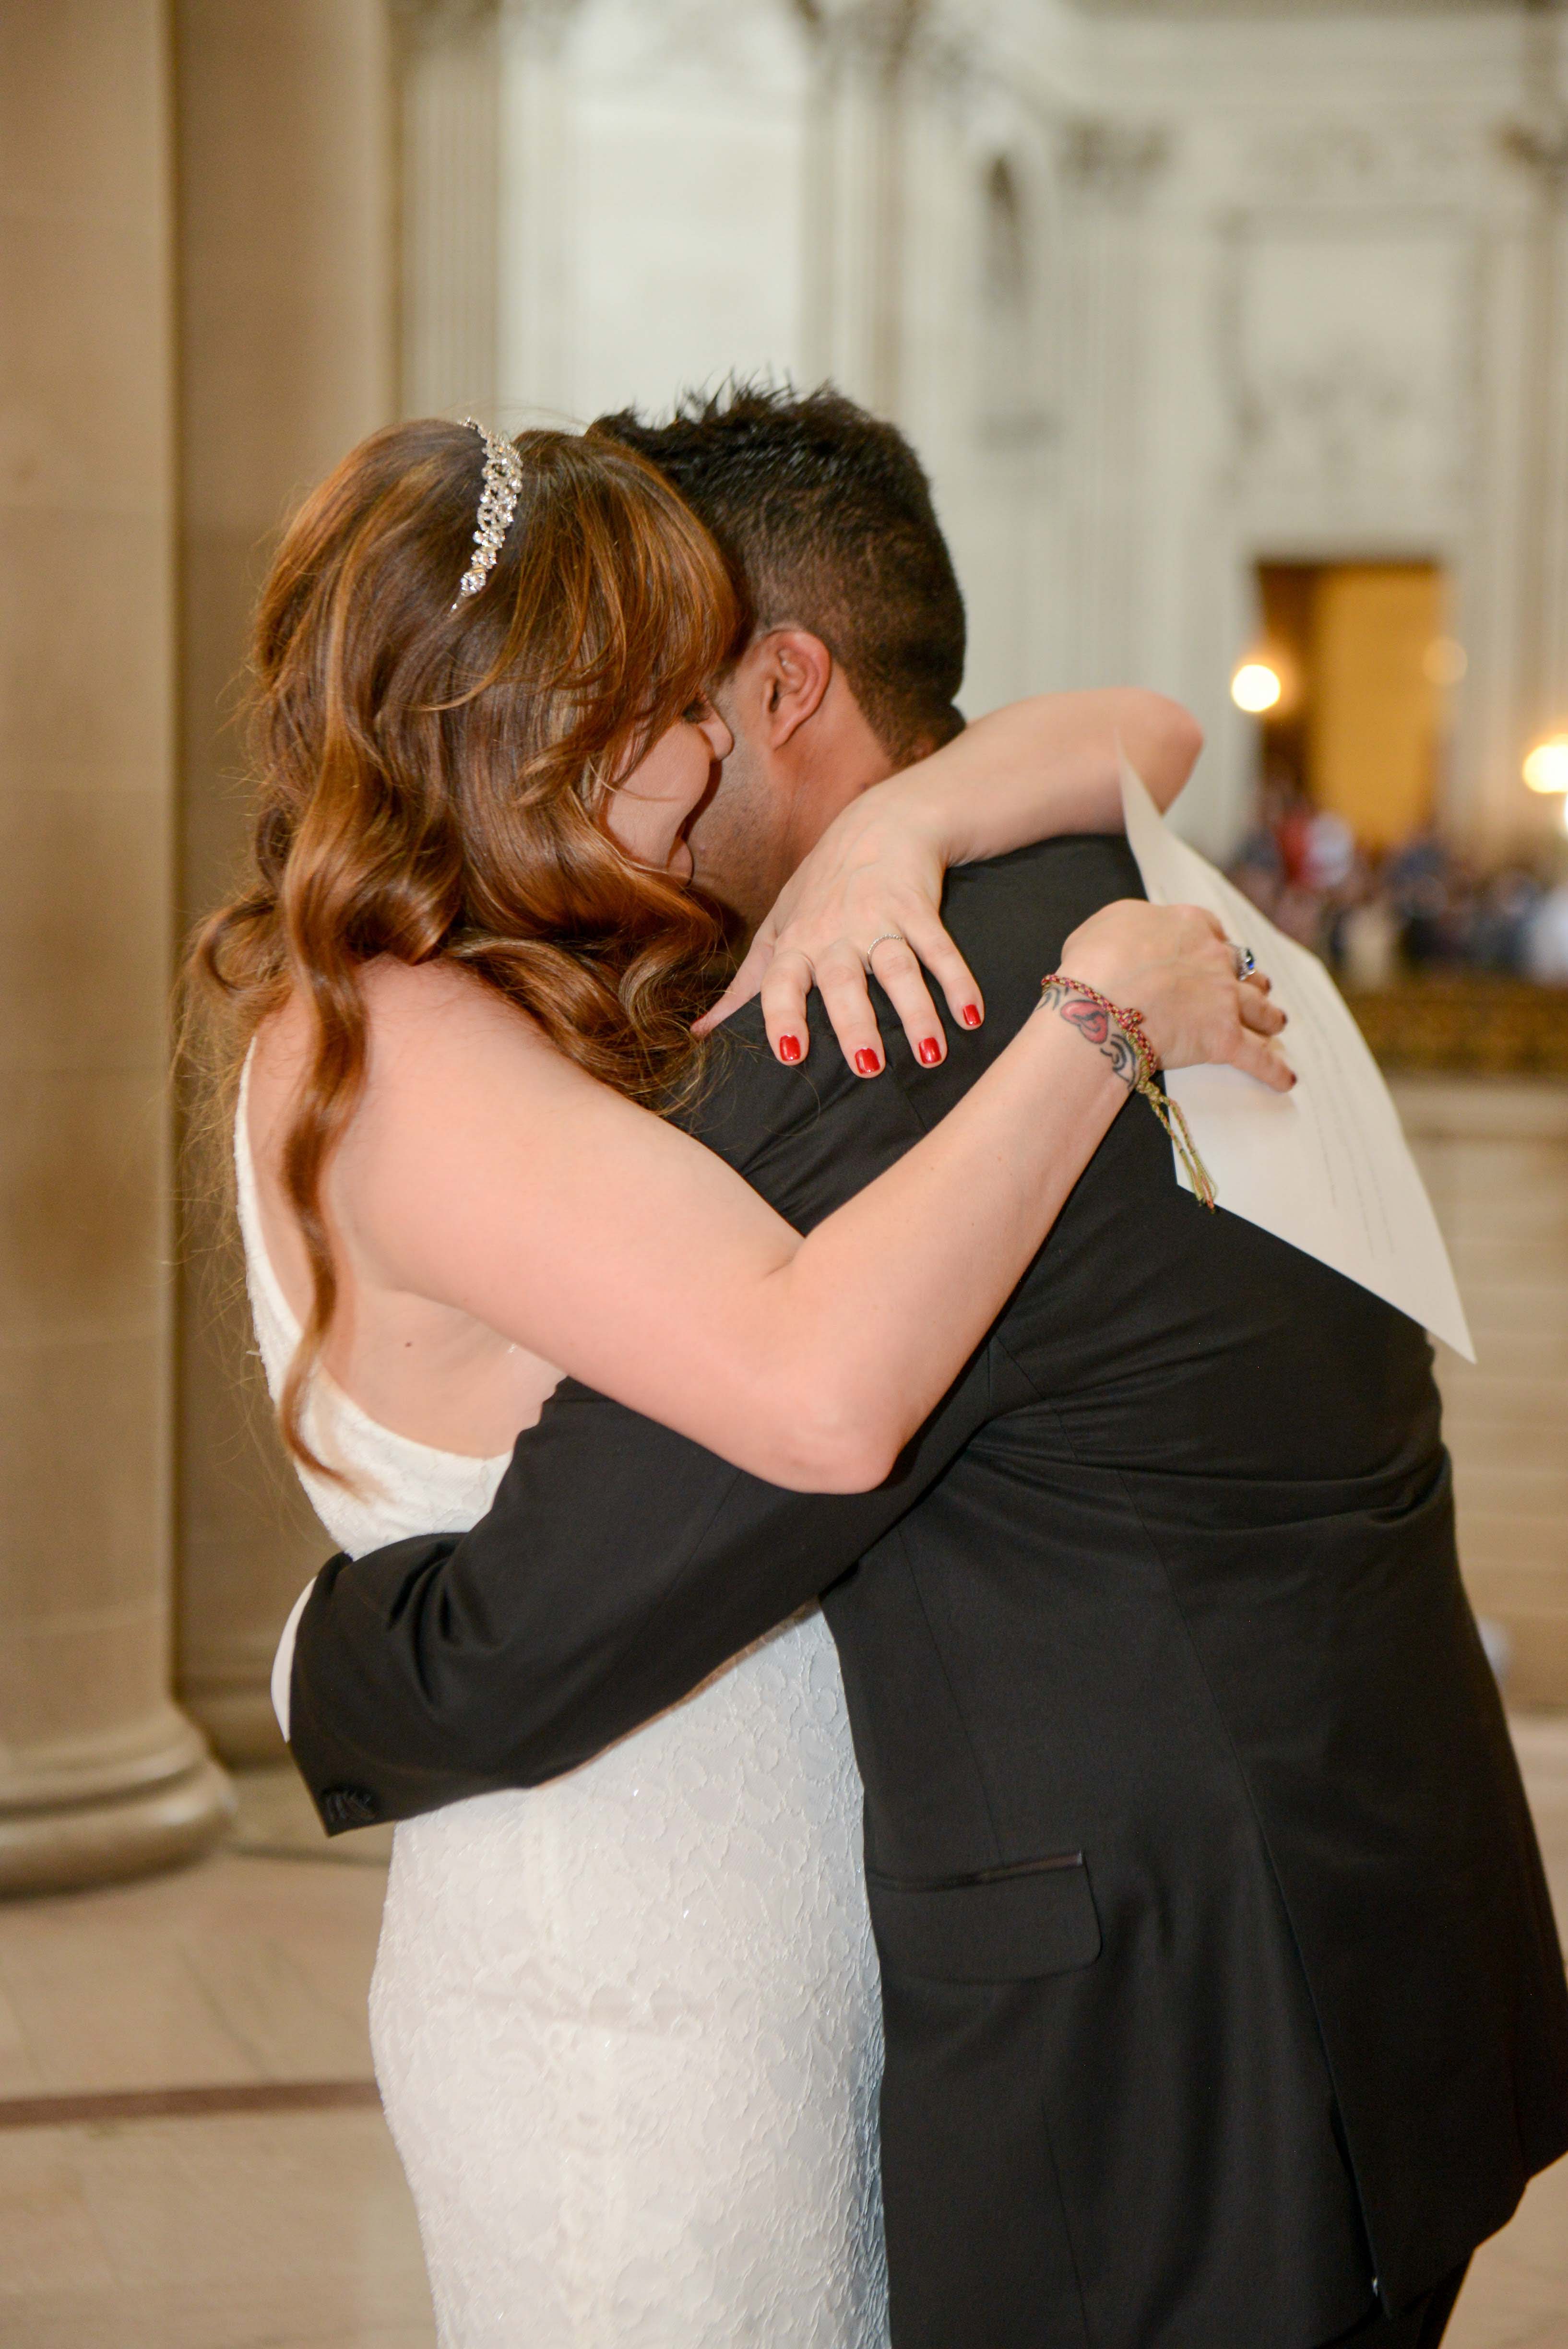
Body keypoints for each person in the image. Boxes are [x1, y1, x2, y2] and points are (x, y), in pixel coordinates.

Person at [282, 386, 1568, 2349]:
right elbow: (1141, 724)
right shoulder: (1117, 869)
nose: (677, 748)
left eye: (678, 691)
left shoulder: (873, 1018)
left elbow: (581, 1598)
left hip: (1164, 2055)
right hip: (1379, 1937)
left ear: (785, 688)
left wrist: (331, 1668)